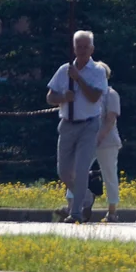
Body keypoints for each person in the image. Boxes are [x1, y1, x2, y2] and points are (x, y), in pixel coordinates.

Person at [46, 30, 108, 224]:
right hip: (67, 124)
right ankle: (86, 196)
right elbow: (50, 97)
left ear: (92, 49)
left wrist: (78, 79)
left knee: (81, 169)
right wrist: (64, 97)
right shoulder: (63, 70)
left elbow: (94, 97)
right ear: (73, 48)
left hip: (89, 124)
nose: (81, 50)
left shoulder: (97, 71)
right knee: (64, 171)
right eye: (78, 47)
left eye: (85, 47)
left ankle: (76, 213)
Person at [93, 62, 122, 222]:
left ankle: (112, 211)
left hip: (108, 142)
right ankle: (72, 207)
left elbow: (110, 120)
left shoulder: (111, 94)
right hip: (86, 140)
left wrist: (98, 138)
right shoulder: (88, 94)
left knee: (109, 174)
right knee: (76, 171)